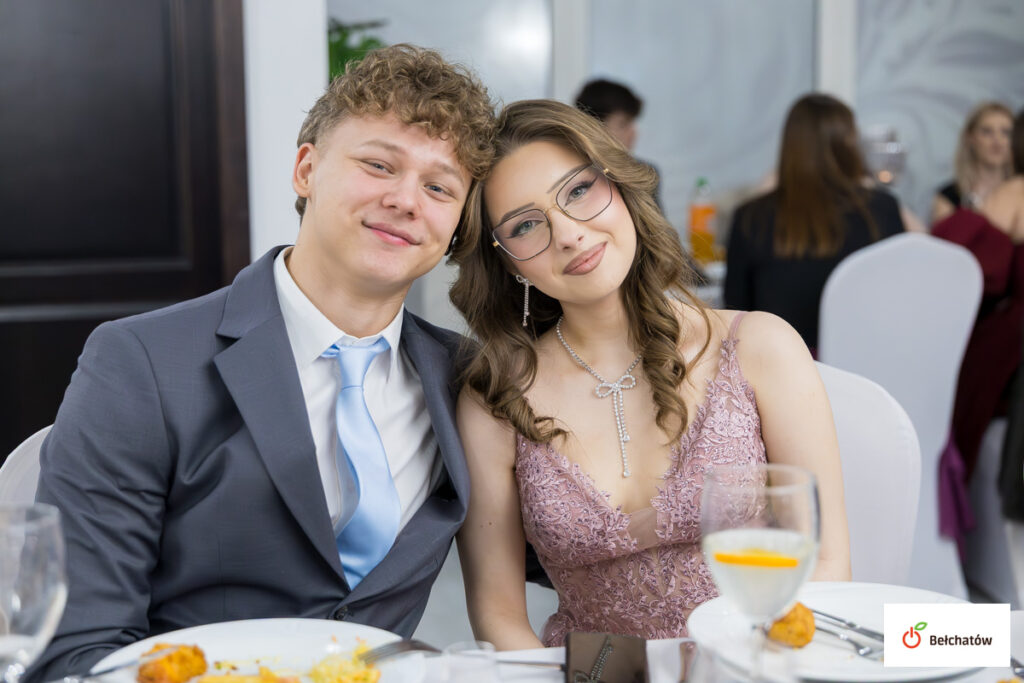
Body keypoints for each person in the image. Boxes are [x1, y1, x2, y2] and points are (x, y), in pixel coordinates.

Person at [28, 44, 494, 681]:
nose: (407, 200)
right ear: (306, 169)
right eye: (379, 165)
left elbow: (579, 551)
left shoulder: (467, 379)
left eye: (439, 187)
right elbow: (78, 649)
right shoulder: (141, 361)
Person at [448, 99, 850, 649]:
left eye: (578, 191)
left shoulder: (759, 346)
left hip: (756, 665)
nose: (568, 234)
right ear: (505, 261)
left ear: (619, 185)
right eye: (525, 225)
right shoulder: (495, 399)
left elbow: (827, 564)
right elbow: (499, 617)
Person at [724, 93, 905, 352]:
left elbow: (734, 314)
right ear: (849, 145)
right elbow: (900, 296)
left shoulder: (751, 217)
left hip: (778, 366)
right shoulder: (882, 209)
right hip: (864, 365)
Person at [575, 78, 661, 208]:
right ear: (594, 126)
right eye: (623, 124)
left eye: (632, 122)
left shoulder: (645, 174)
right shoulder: (575, 176)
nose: (633, 132)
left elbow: (657, 221)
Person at [931, 101, 1014, 225]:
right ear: (970, 137)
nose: (997, 141)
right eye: (987, 132)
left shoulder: (1020, 193)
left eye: (1006, 132)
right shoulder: (949, 197)